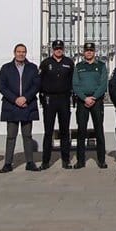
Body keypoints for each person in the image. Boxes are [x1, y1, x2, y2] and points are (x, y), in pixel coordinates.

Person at [0, 42, 40, 173]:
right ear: (14, 53)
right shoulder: (6, 68)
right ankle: (8, 163)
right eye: (19, 52)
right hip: (12, 106)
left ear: (26, 53)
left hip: (28, 105)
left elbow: (36, 85)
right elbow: (2, 87)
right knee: (11, 135)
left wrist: (25, 98)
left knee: (27, 135)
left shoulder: (33, 68)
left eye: (23, 52)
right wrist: (15, 99)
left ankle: (30, 162)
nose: (21, 54)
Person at [39, 40, 75, 169]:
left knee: (64, 131)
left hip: (64, 99)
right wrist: (42, 98)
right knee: (48, 132)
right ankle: (45, 161)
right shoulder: (45, 63)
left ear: (63, 49)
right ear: (52, 49)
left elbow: (73, 81)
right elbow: (40, 81)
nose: (58, 50)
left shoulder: (69, 63)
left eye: (60, 48)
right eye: (56, 48)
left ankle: (66, 160)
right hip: (50, 99)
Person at [72, 42, 109, 169]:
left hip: (96, 101)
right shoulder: (79, 66)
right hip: (82, 102)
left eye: (91, 51)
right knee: (81, 131)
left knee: (99, 130)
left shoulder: (101, 65)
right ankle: (80, 161)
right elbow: (75, 84)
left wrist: (94, 97)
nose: (89, 52)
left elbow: (103, 84)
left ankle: (101, 160)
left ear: (94, 52)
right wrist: (84, 98)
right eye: (87, 51)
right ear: (83, 52)